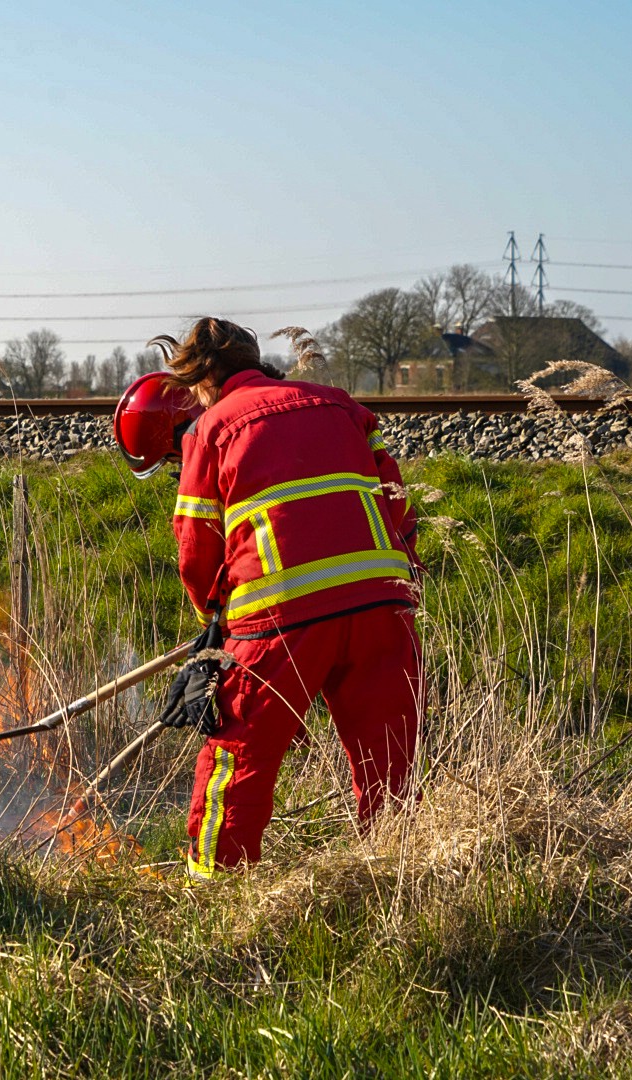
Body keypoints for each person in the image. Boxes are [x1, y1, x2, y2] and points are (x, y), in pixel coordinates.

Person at [113, 318, 423, 876]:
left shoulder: (211, 428)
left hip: (279, 618)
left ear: (200, 381)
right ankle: (402, 878)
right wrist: (401, 583)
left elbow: (196, 547)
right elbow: (396, 500)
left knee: (235, 761)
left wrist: (213, 623)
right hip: (382, 605)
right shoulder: (343, 405)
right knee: (390, 760)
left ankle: (216, 889)